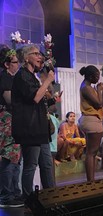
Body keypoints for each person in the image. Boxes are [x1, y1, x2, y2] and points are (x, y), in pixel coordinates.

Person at [11, 44, 56, 199]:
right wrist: (48, 79)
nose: (39, 57)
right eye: (35, 54)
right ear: (26, 57)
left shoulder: (32, 76)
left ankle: (51, 197)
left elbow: (41, 100)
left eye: (40, 54)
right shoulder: (22, 75)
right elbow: (35, 97)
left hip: (40, 126)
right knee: (31, 165)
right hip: (30, 127)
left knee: (47, 164)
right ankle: (28, 199)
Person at [0, 47, 23, 208]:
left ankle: (14, 192)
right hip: (7, 121)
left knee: (15, 158)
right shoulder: (5, 78)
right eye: (15, 62)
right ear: (7, 64)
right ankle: (7, 195)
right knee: (9, 158)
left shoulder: (11, 78)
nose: (18, 65)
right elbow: (10, 101)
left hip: (14, 120)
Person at [78, 65, 103, 181]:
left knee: (91, 152)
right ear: (90, 76)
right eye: (96, 76)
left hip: (89, 119)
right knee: (91, 152)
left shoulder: (87, 86)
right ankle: (91, 180)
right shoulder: (87, 88)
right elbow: (98, 103)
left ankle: (91, 179)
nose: (98, 79)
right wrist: (99, 90)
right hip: (91, 119)